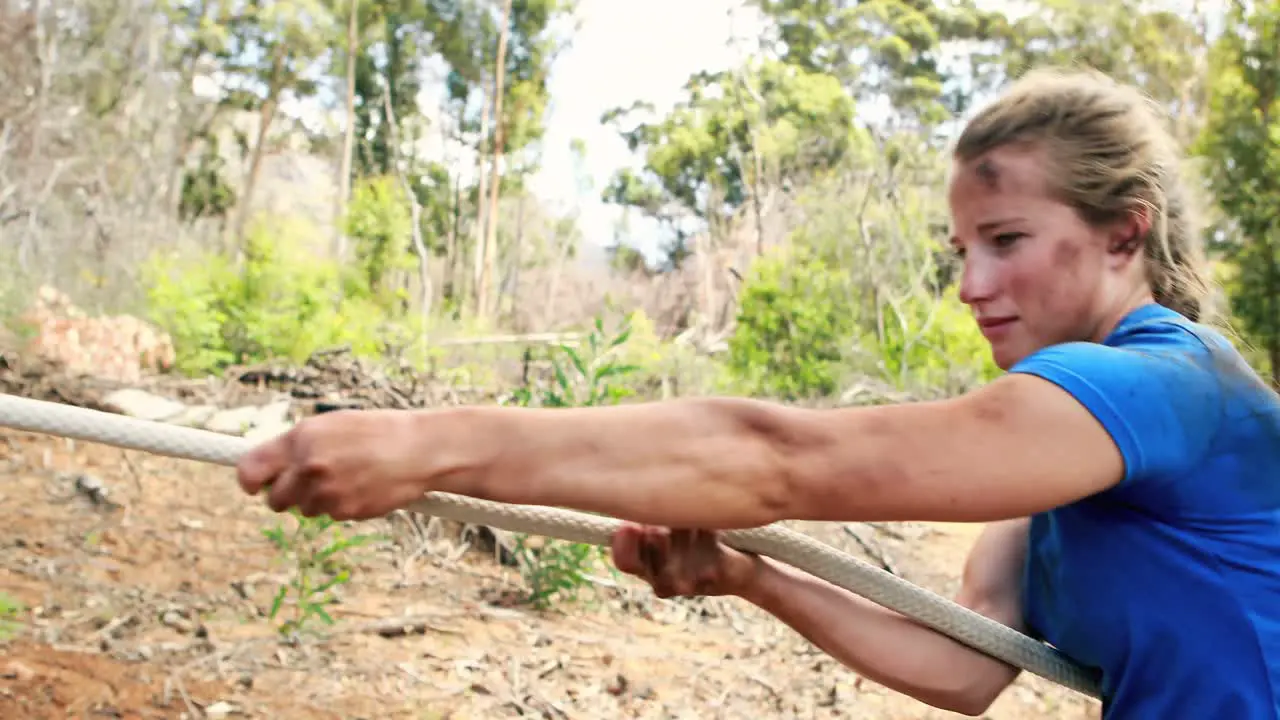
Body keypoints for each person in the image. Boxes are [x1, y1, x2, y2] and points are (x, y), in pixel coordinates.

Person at [234, 68, 1280, 718]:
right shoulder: (1058, 484)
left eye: (1005, 241)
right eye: (960, 248)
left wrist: (436, 444)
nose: (971, 286)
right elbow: (964, 666)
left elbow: (781, 458)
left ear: (1123, 231)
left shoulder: (1164, 388)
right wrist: (745, 577)